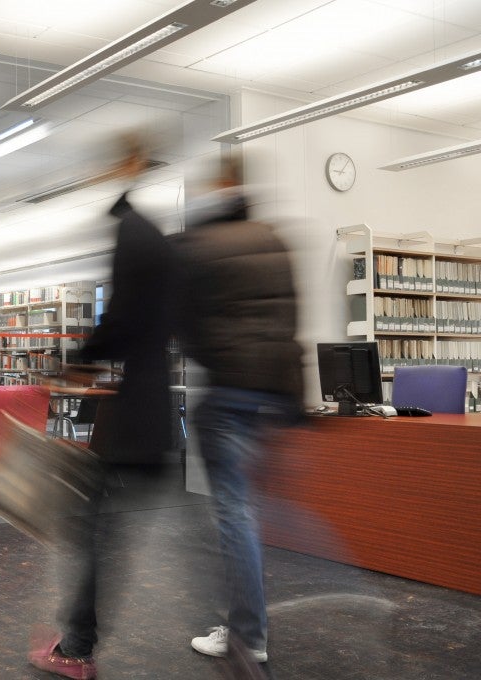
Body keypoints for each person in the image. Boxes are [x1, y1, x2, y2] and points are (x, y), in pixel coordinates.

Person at [28, 133, 177, 679]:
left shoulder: (132, 232)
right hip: (150, 408)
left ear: (128, 164)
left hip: (134, 414)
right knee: (102, 532)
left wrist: (80, 360)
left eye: (107, 163)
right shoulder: (154, 236)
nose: (98, 172)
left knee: (92, 531)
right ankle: (77, 640)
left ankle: (76, 648)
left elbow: (121, 317)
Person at [173, 154, 304, 674]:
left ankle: (248, 636)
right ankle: (249, 625)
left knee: (234, 512)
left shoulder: (202, 243)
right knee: (255, 508)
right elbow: (292, 316)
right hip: (273, 392)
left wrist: (214, 361)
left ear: (219, 186)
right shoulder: (274, 239)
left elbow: (187, 324)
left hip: (229, 391)